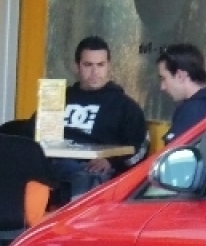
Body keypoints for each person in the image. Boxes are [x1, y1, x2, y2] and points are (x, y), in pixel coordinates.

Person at [53, 35, 149, 199]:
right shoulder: (58, 99)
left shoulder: (125, 106)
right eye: (88, 65)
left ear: (109, 66)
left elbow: (140, 147)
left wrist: (112, 162)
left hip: (93, 172)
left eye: (100, 65)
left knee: (86, 177)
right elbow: (33, 134)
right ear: (76, 67)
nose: (95, 72)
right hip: (52, 165)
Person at [157, 43, 206, 144]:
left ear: (180, 76)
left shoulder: (193, 110)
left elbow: (175, 155)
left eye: (163, 78)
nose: (162, 87)